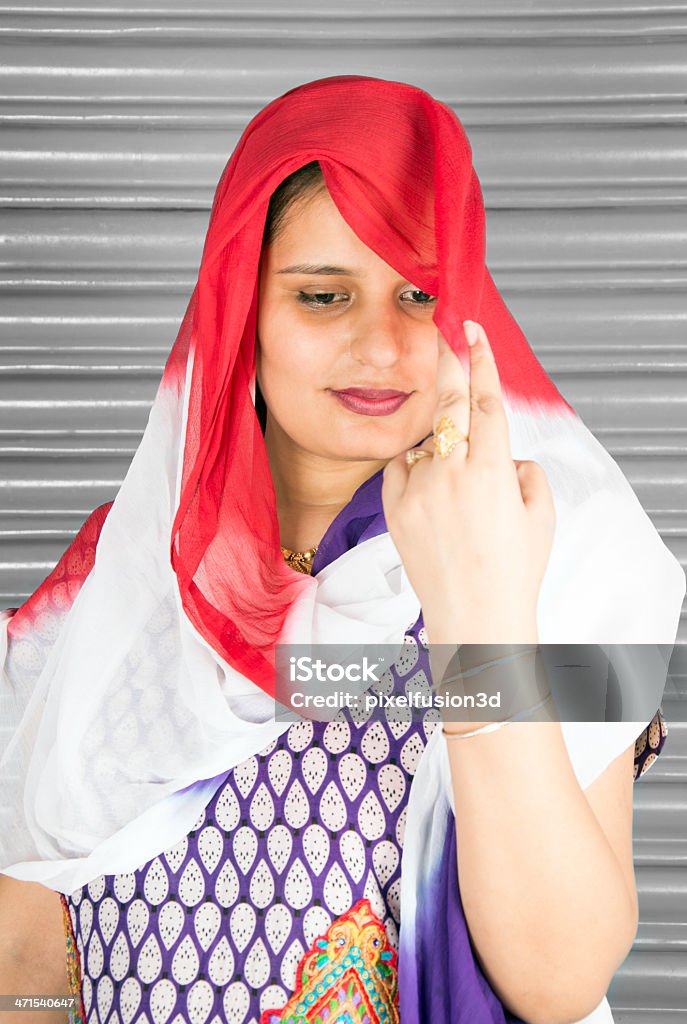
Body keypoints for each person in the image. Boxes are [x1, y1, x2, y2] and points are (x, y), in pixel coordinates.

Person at [0, 75, 683, 1024]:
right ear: (244, 310)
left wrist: (478, 613)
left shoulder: (559, 558)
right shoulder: (125, 578)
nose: (381, 343)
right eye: (323, 296)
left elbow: (557, 975)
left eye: (420, 293)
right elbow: (30, 943)